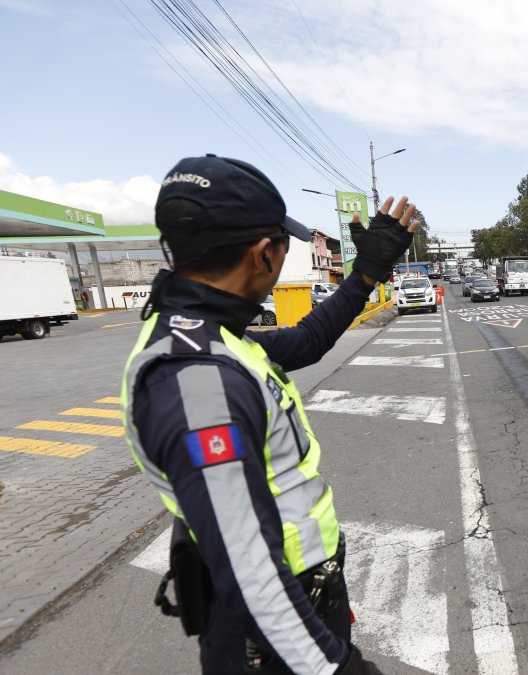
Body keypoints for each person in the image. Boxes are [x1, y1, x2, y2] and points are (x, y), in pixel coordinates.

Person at [121, 154, 417, 674]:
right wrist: (337, 669)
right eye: (283, 246)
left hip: (301, 604)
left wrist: (366, 275)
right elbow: (248, 568)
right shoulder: (197, 380)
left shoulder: (210, 335)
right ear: (263, 254)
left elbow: (305, 340)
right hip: (271, 638)